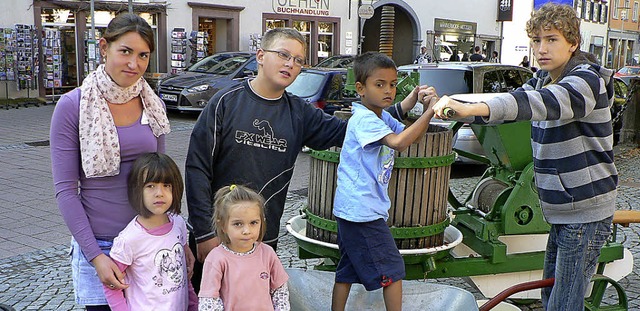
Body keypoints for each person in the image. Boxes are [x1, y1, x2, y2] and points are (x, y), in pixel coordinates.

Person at [185, 27, 431, 293]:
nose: (290, 64)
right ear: (260, 56)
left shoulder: (299, 112)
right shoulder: (225, 102)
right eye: (283, 55)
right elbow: (197, 167)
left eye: (299, 60)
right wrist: (204, 233)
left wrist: (401, 106)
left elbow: (351, 130)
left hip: (263, 238)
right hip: (218, 233)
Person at [431, 3, 615, 310]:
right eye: (536, 40)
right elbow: (508, 106)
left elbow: (540, 103)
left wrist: (471, 109)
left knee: (564, 303)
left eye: (551, 39)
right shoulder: (544, 78)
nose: (541, 48)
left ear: (573, 43)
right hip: (561, 208)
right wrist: (453, 104)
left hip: (585, 211)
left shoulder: (587, 80)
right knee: (551, 296)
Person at [49, 13, 192, 310]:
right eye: (125, 51)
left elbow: (162, 177)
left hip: (152, 241)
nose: (134, 64)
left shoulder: (153, 104)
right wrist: (95, 256)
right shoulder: (72, 106)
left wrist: (180, 237)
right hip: (100, 244)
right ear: (104, 48)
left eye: (143, 55)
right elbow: (65, 191)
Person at [330, 52, 438, 311]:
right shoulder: (364, 119)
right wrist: (432, 111)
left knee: (348, 268)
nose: (388, 90)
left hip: (353, 209)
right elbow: (400, 143)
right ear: (360, 88)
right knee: (393, 269)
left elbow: (405, 127)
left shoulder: (378, 114)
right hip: (362, 212)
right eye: (379, 85)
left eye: (392, 84)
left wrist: (417, 106)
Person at [104, 153, 198, 310]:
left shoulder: (179, 224)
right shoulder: (129, 239)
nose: (159, 193)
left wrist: (193, 305)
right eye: (150, 186)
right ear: (137, 190)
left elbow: (183, 276)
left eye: (166, 185)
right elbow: (111, 285)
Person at [198, 185, 290, 311]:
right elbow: (209, 301)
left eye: (253, 223)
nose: (246, 231)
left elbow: (280, 291)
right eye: (238, 224)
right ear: (223, 225)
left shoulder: (267, 253)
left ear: (261, 222)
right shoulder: (216, 259)